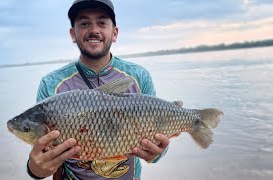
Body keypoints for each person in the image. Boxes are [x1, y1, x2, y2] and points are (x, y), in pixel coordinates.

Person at [27, 0, 170, 179]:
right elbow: (42, 160)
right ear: (73, 34)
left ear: (115, 33)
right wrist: (35, 169)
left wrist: (158, 153)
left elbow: (157, 147)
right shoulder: (51, 84)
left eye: (102, 23)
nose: (94, 30)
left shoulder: (139, 77)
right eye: (85, 23)